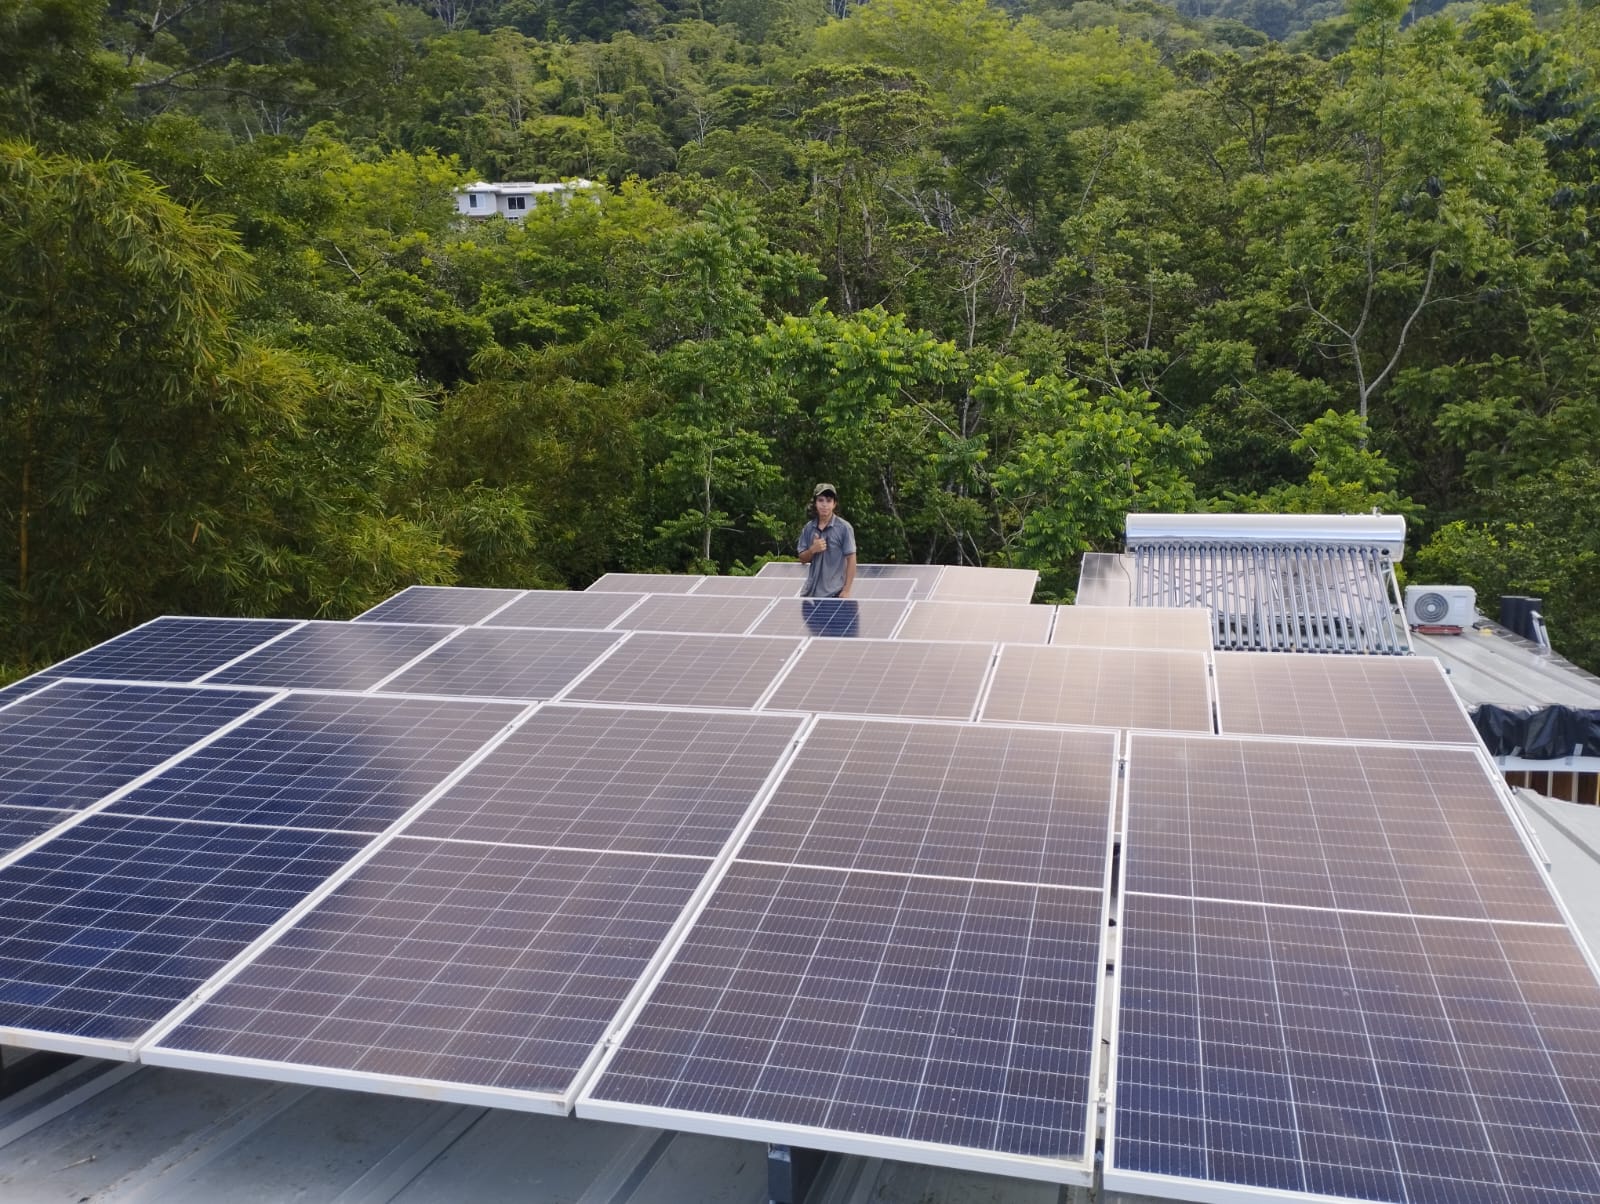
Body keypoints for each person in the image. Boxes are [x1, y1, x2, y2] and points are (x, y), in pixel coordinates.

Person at [797, 483, 856, 599]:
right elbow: (802, 559)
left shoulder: (844, 528)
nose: (824, 505)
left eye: (829, 501)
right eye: (821, 500)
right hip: (811, 594)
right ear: (815, 503)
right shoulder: (809, 528)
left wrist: (847, 590)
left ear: (834, 504)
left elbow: (851, 559)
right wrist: (812, 550)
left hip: (834, 593)